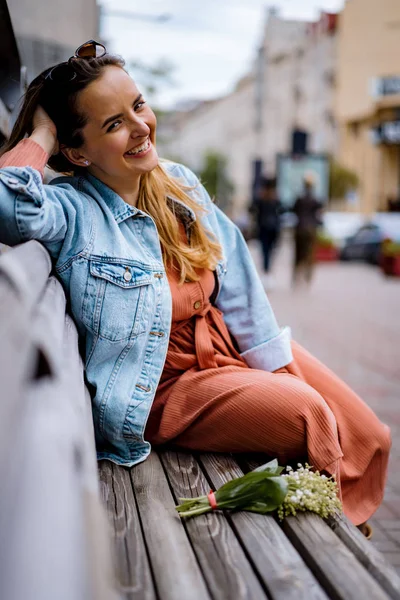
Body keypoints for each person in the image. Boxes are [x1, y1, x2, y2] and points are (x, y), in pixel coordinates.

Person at [0, 41, 390, 536]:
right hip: (165, 388)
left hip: (223, 347)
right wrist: (42, 130)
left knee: (365, 431)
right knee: (311, 414)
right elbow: (6, 205)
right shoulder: (72, 210)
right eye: (113, 124)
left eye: (138, 105)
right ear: (75, 150)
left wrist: (278, 365)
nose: (141, 127)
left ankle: (339, 505)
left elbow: (241, 284)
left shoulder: (178, 182)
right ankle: (333, 537)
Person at [292, 174, 323, 286]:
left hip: (300, 228)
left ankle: (296, 277)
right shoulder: (315, 199)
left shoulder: (299, 198)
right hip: (311, 229)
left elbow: (294, 211)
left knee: (297, 254)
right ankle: (308, 276)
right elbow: (319, 214)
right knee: (309, 254)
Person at [250, 177, 281, 287]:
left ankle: (266, 273)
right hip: (273, 229)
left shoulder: (261, 199)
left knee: (265, 251)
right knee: (270, 251)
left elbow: (252, 210)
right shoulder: (276, 199)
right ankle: (268, 273)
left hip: (263, 228)